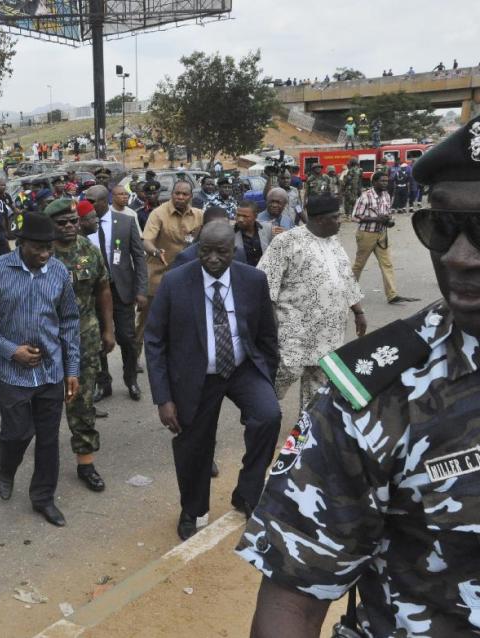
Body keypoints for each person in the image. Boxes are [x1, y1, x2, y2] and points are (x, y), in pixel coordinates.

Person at [239, 113, 480, 638]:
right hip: (294, 338)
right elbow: (293, 596)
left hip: (327, 334)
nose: (460, 257)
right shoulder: (376, 391)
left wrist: (358, 311)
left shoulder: (330, 247)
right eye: (441, 227)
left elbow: (346, 284)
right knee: (278, 399)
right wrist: (267, 332)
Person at [145, 222, 280, 540]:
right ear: (197, 248)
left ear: (232, 251)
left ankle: (247, 493)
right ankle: (193, 509)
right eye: (206, 250)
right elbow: (154, 341)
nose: (213, 258)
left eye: (221, 251)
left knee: (268, 415)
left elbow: (266, 335)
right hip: (196, 374)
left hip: (241, 368)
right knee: (193, 444)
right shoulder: (176, 282)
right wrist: (163, 398)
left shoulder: (253, 280)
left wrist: (266, 378)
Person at [0, 212, 80, 527]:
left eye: (49, 248)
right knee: (17, 434)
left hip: (51, 372)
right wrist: (10, 350)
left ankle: (43, 498)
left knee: (48, 439)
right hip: (12, 374)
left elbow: (70, 321)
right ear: (21, 244)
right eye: (37, 248)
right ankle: (7, 467)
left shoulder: (58, 272)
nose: (44, 254)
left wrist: (72, 368)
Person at [257, 193, 366, 410]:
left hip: (329, 331)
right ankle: (260, 407)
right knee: (287, 371)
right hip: (294, 329)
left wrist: (359, 311)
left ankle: (308, 428)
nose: (340, 222)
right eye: (335, 217)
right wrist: (269, 328)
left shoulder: (334, 243)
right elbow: (264, 285)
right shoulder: (286, 242)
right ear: (319, 220)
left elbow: (346, 278)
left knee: (320, 382)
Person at [45, 198, 115, 492]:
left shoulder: (89, 250)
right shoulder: (41, 253)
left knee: (81, 401)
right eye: (63, 223)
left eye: (74, 221)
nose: (71, 226)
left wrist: (108, 330)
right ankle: (44, 464)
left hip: (84, 336)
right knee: (45, 403)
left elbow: (103, 289)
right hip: (46, 338)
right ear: (51, 225)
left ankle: (85, 462)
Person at [85, 186, 147, 403]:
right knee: (99, 338)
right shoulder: (84, 226)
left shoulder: (125, 223)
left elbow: (139, 259)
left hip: (122, 290)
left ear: (105, 201)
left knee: (127, 338)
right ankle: (103, 383)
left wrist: (141, 290)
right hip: (95, 293)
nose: (89, 205)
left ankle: (131, 380)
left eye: (92, 201)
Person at [139, 180, 203, 356]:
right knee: (146, 321)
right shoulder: (158, 214)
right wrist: (154, 251)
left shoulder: (199, 215)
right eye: (177, 193)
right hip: (159, 275)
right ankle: (133, 359)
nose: (180, 197)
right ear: (172, 193)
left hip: (186, 276)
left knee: (181, 320)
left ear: (190, 196)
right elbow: (146, 241)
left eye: (184, 194)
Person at [351, 171, 420, 305]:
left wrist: (389, 221)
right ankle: (347, 292)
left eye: (386, 181)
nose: (385, 183)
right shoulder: (365, 196)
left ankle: (392, 295)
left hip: (382, 234)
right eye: (382, 181)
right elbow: (355, 217)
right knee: (359, 265)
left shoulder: (386, 196)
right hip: (366, 234)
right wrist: (377, 219)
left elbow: (386, 214)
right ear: (374, 182)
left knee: (387, 264)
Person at [234, 200, 273, 266]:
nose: (240, 219)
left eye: (245, 216)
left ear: (255, 216)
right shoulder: (230, 233)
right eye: (238, 215)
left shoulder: (267, 228)